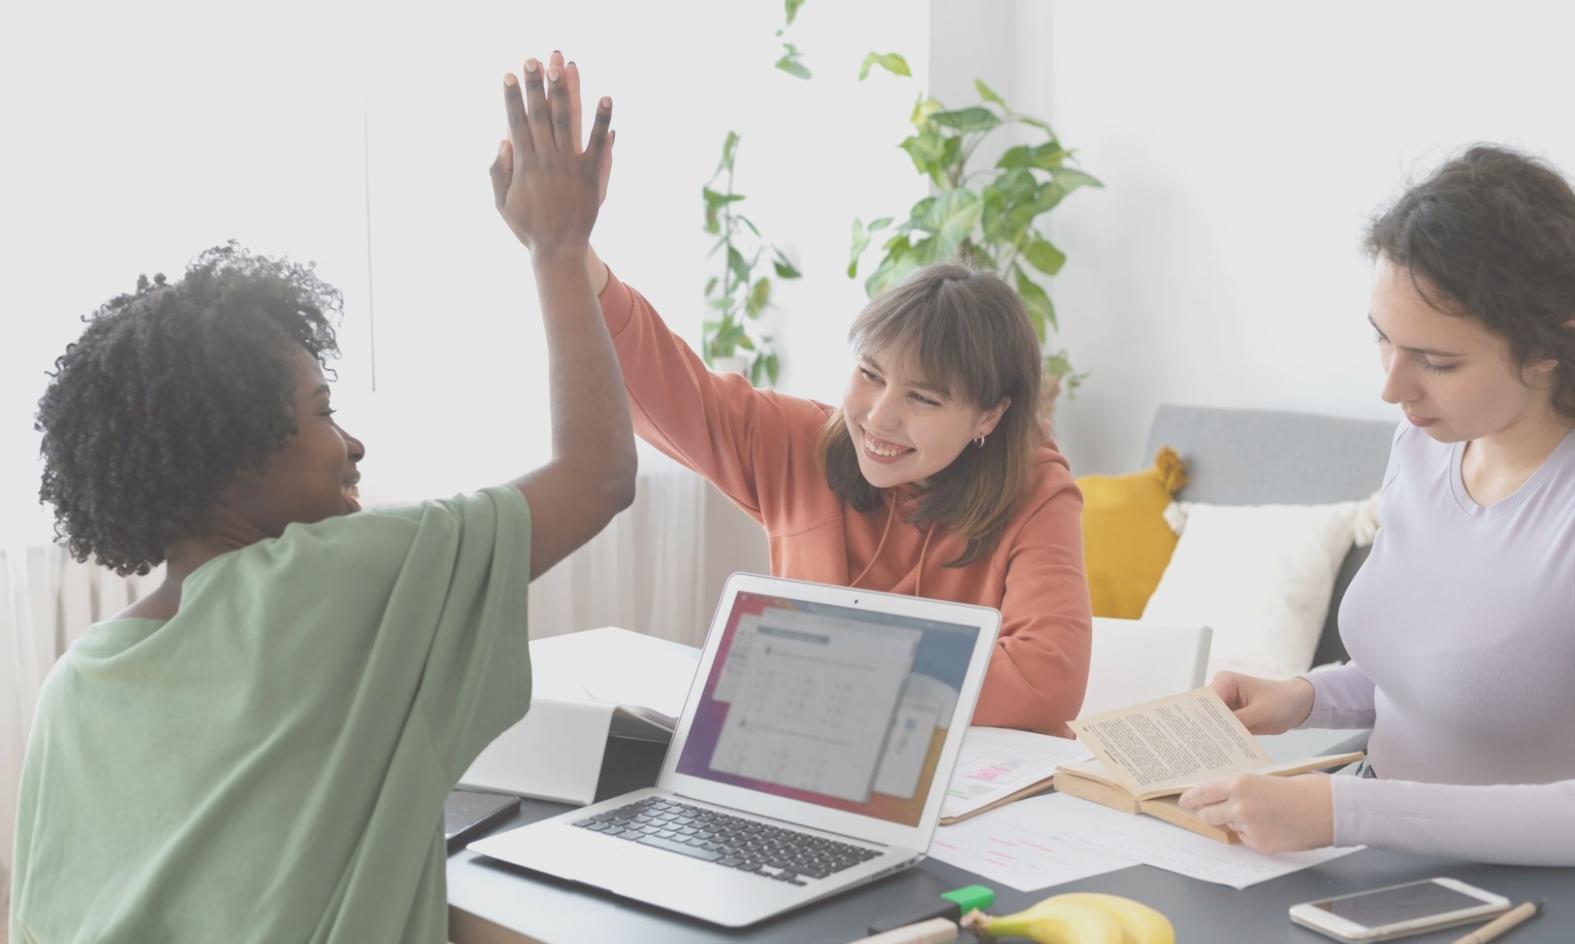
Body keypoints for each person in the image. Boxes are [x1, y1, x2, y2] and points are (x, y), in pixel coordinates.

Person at [10, 54, 634, 941]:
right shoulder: (330, 581)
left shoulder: (81, 679)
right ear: (232, 462)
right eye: (322, 413)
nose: (352, 446)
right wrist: (559, 247)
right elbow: (600, 472)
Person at [542, 52, 1092, 735]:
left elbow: (1045, 684)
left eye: (923, 399)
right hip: (810, 775)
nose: (880, 417)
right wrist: (566, 248)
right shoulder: (798, 442)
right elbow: (657, 379)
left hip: (976, 805)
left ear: (989, 413)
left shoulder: (1033, 489)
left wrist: (809, 674)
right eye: (869, 374)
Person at [1178, 146, 1575, 866]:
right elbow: (1441, 671)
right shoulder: (1423, 447)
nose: (1392, 388)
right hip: (1379, 849)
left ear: (1548, 346)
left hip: (1527, 891)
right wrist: (1302, 698)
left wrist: (1344, 810)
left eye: (1436, 361)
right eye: (1382, 341)